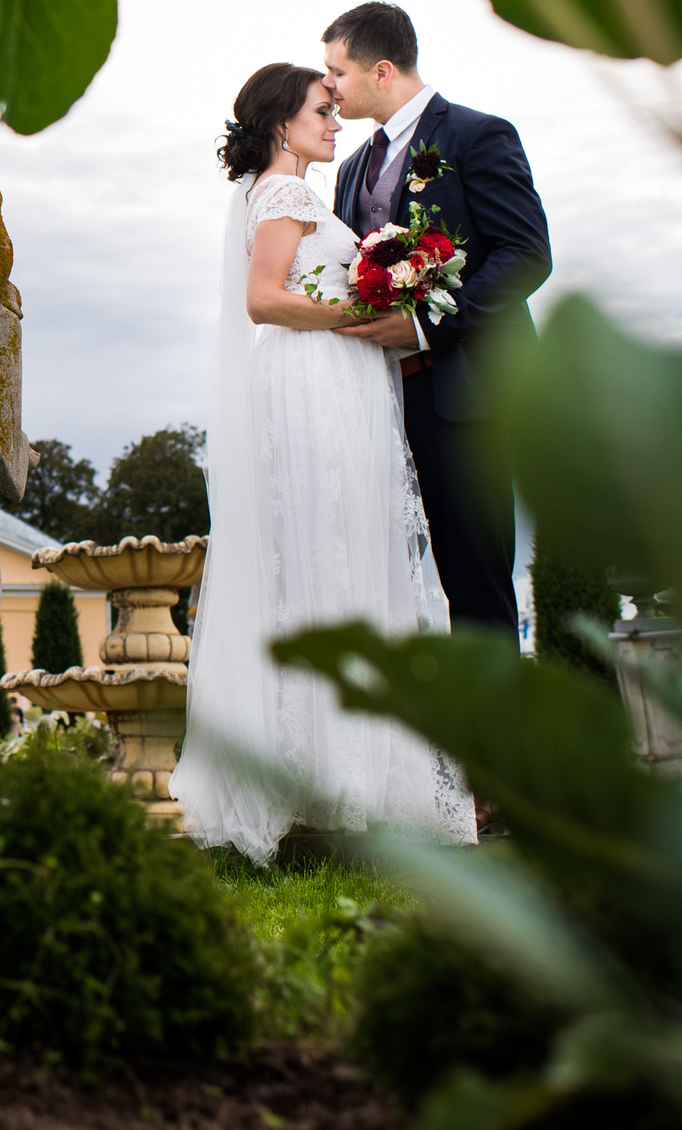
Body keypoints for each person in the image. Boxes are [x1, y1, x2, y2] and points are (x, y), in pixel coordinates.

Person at [169, 59, 476, 861]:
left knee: (327, 556)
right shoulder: (284, 191)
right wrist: (360, 309)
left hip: (329, 381)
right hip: (312, 383)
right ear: (281, 123)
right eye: (321, 109)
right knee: (327, 554)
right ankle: (333, 773)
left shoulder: (286, 192)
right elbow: (263, 298)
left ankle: (335, 767)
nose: (336, 121)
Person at [320, 2, 551, 633]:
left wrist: (427, 327)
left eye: (336, 71)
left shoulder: (478, 135)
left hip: (465, 399)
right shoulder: (350, 169)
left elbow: (527, 255)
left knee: (475, 586)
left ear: (383, 70)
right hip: (377, 401)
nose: (328, 86)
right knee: (382, 583)